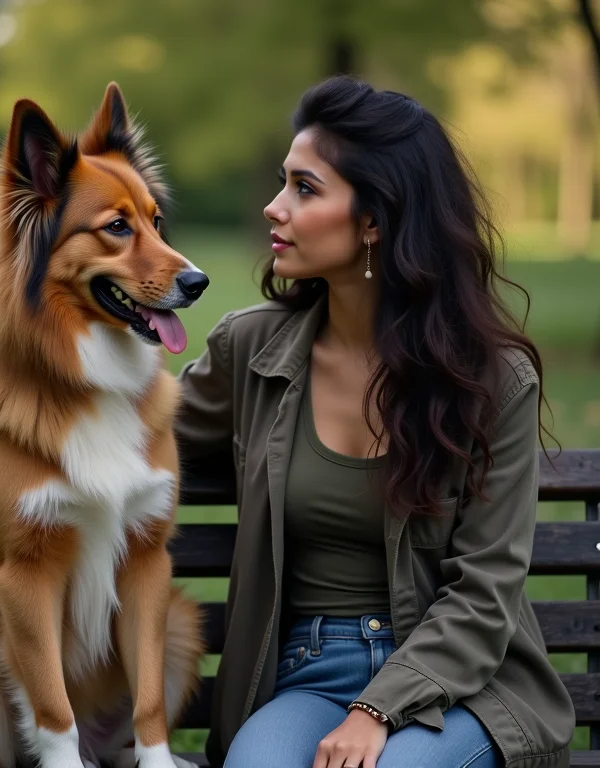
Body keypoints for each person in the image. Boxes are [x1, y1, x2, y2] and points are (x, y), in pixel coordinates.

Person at [173, 76, 576, 768]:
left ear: (374, 221)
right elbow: (132, 437)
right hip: (305, 674)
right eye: (283, 182)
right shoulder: (251, 349)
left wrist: (379, 708)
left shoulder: (490, 379)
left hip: (461, 684)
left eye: (305, 188)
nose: (274, 206)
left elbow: (484, 593)